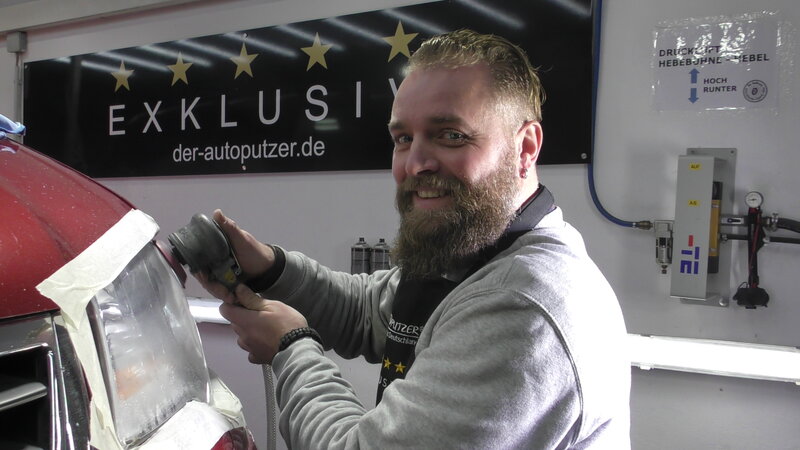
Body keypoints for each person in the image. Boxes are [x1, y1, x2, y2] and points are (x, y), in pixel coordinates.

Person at [201, 29, 630, 449]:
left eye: (451, 136)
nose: (416, 163)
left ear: (526, 148)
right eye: (404, 138)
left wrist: (290, 348)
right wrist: (271, 269)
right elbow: (365, 311)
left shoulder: (521, 306)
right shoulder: (471, 249)